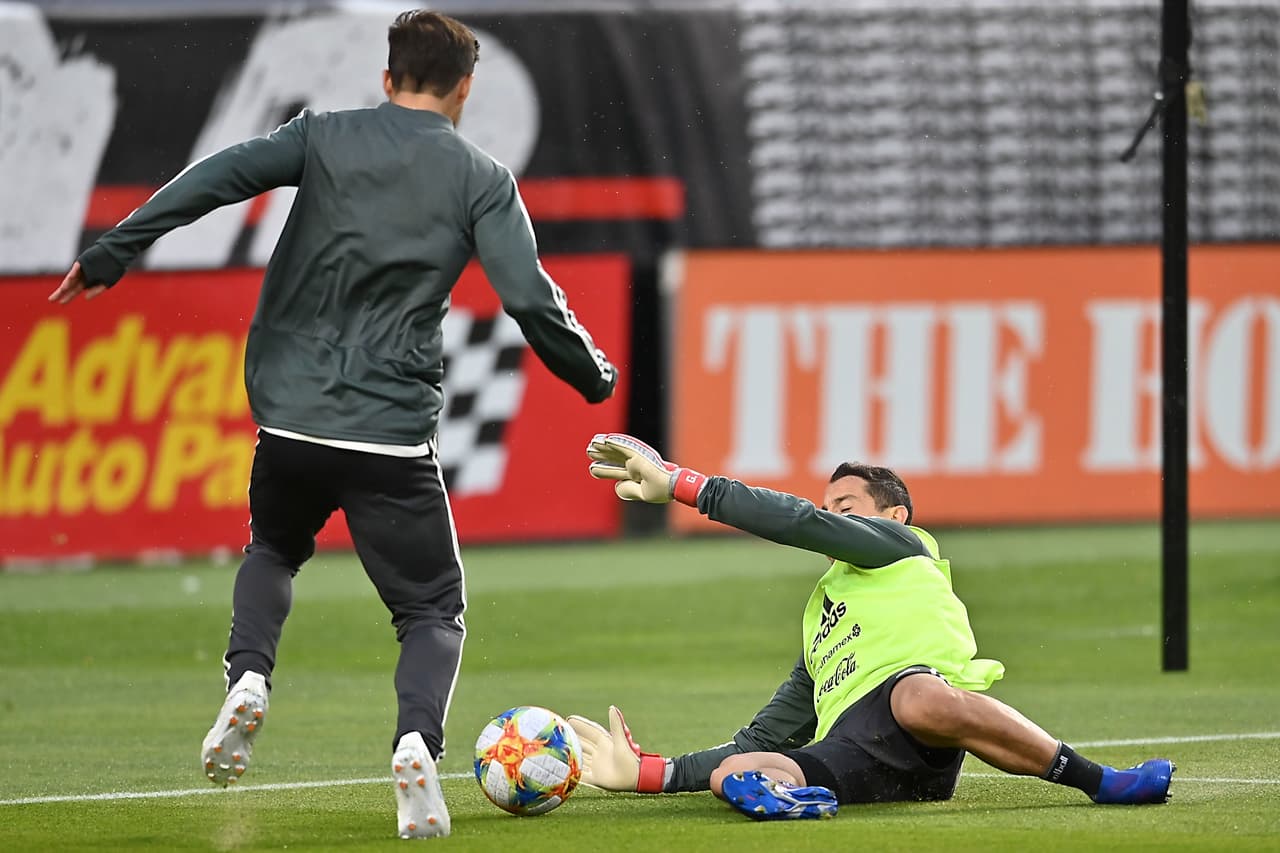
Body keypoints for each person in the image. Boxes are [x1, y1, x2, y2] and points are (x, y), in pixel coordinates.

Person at [50, 10, 617, 840]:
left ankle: (249, 678)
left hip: (290, 418)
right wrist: (592, 374)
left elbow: (213, 179)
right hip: (390, 432)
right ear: (465, 89)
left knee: (274, 549)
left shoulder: (321, 136)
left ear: (387, 78)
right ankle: (416, 743)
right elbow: (528, 298)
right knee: (432, 609)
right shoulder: (482, 178)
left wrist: (112, 251)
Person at [570, 433, 1173, 820]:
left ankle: (1101, 780)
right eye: (829, 508)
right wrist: (654, 773)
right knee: (739, 772)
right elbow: (762, 736)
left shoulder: (899, 547)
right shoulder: (820, 621)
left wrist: (684, 484)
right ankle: (795, 802)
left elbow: (799, 522)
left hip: (920, 721)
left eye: (846, 508)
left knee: (916, 696)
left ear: (894, 515)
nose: (832, 517)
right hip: (856, 754)